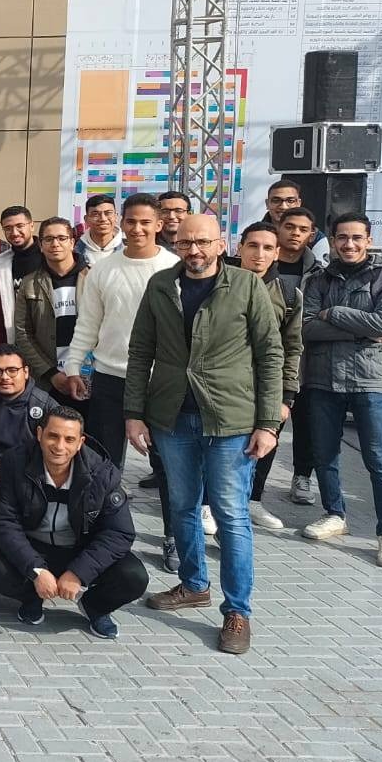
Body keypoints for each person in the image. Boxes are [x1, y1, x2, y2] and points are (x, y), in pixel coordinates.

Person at [132, 213, 283, 656]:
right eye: (185, 243)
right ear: (175, 244)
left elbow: (270, 354)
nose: (193, 251)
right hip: (172, 416)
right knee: (181, 506)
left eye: (202, 242)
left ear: (221, 244)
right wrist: (133, 414)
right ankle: (194, 584)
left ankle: (237, 611)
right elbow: (140, 351)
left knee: (230, 515)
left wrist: (267, 423)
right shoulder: (161, 284)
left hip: (230, 419)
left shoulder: (247, 286)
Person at [0, 406, 148, 639]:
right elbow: (4, 521)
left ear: (80, 442)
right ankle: (33, 598)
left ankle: (95, 606)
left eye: (69, 439)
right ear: (39, 434)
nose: (59, 446)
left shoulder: (103, 473)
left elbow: (119, 533)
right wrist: (36, 570)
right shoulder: (15, 462)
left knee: (134, 577)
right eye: (53, 436)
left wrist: (79, 573)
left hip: (79, 549)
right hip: (34, 546)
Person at [298, 214, 382, 568]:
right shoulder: (318, 279)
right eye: (342, 237)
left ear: (369, 239)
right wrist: (362, 330)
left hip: (370, 380)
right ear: (333, 240)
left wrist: (333, 313)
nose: (349, 244)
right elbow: (306, 328)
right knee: (324, 453)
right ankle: (334, 514)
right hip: (322, 378)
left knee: (380, 460)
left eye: (357, 237)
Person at [61, 193, 179, 472]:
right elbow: (88, 323)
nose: (137, 229)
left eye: (145, 222)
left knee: (168, 463)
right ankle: (107, 502)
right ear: (121, 224)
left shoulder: (175, 268)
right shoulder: (102, 270)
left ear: (159, 225)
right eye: (131, 222)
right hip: (109, 377)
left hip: (160, 378)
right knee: (104, 461)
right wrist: (73, 366)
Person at [234, 222, 301, 531]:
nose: (259, 254)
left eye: (267, 248)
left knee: (263, 447)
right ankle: (209, 504)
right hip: (226, 385)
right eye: (252, 246)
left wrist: (286, 397)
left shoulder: (288, 294)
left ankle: (253, 501)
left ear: (277, 253)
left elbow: (293, 346)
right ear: (240, 248)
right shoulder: (219, 283)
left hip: (268, 386)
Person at [275, 205, 325, 505]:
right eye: (290, 227)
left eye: (303, 229)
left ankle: (302, 477)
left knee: (306, 426)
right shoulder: (263, 262)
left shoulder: (320, 273)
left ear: (312, 234)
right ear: (278, 227)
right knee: (267, 426)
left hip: (305, 361)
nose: (295, 233)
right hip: (265, 362)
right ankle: (252, 489)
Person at [13, 216, 88, 403]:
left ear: (72, 242)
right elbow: (23, 333)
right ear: (41, 245)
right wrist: (50, 373)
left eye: (62, 238)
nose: (55, 244)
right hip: (48, 380)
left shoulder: (94, 278)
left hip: (88, 374)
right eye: (48, 239)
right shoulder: (29, 283)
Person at [0, 206, 42, 346]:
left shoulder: (49, 257)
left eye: (20, 226)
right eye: (8, 228)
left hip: (49, 339)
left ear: (32, 226)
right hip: (17, 342)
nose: (14, 233)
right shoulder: (1, 264)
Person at [264, 178, 330, 263]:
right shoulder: (254, 233)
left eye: (290, 201)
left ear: (299, 203)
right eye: (276, 200)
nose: (283, 206)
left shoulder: (316, 238)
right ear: (267, 203)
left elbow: (320, 269)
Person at [75, 194, 124, 267]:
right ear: (86, 219)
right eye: (95, 214)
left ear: (116, 216)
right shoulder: (74, 252)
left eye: (108, 213)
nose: (103, 219)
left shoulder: (129, 248)